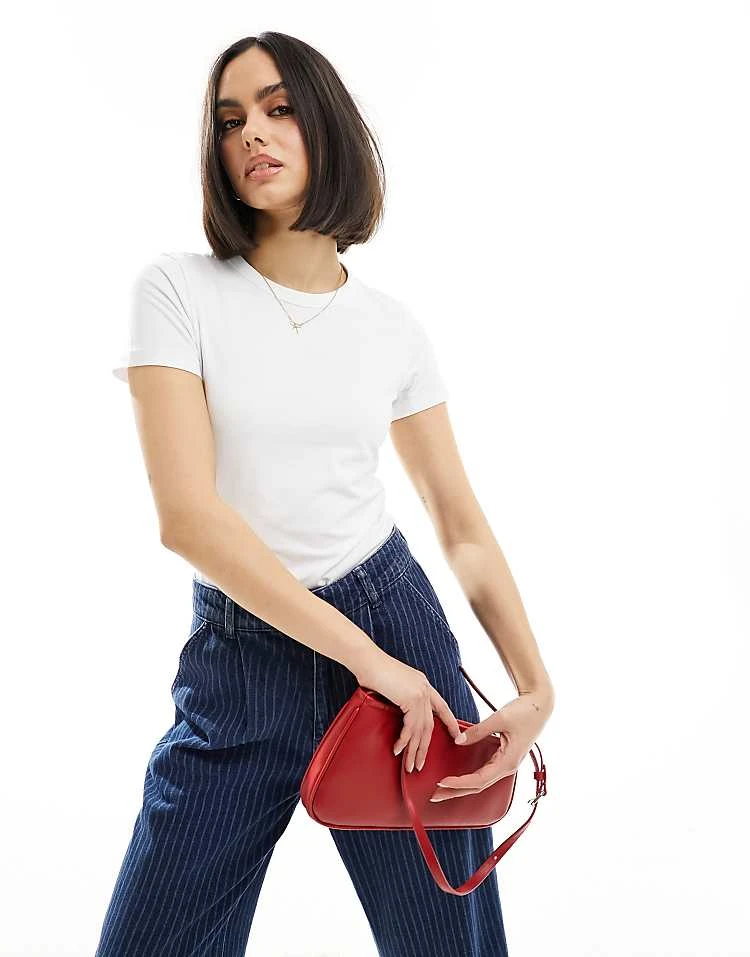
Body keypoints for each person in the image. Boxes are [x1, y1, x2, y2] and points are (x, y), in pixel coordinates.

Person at [95, 31, 554, 957]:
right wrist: (371, 664)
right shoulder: (177, 292)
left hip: (398, 642)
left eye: (278, 109)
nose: (252, 134)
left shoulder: (390, 329)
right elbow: (188, 519)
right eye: (230, 120)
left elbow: (459, 523)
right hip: (246, 658)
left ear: (325, 124)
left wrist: (534, 686)